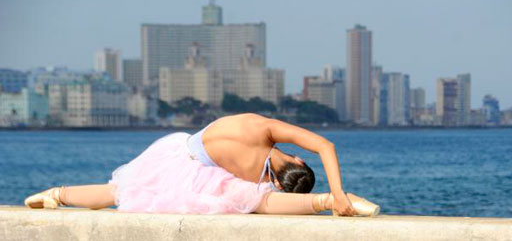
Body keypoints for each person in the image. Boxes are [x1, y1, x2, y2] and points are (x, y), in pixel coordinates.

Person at [24, 113, 379, 216]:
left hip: (176, 149)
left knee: (120, 190)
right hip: (193, 171)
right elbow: (266, 200)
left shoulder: (263, 126)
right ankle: (327, 202)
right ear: (280, 181)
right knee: (255, 202)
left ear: (297, 159)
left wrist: (333, 182)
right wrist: (334, 195)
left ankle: (56, 193)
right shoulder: (258, 178)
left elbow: (325, 145)